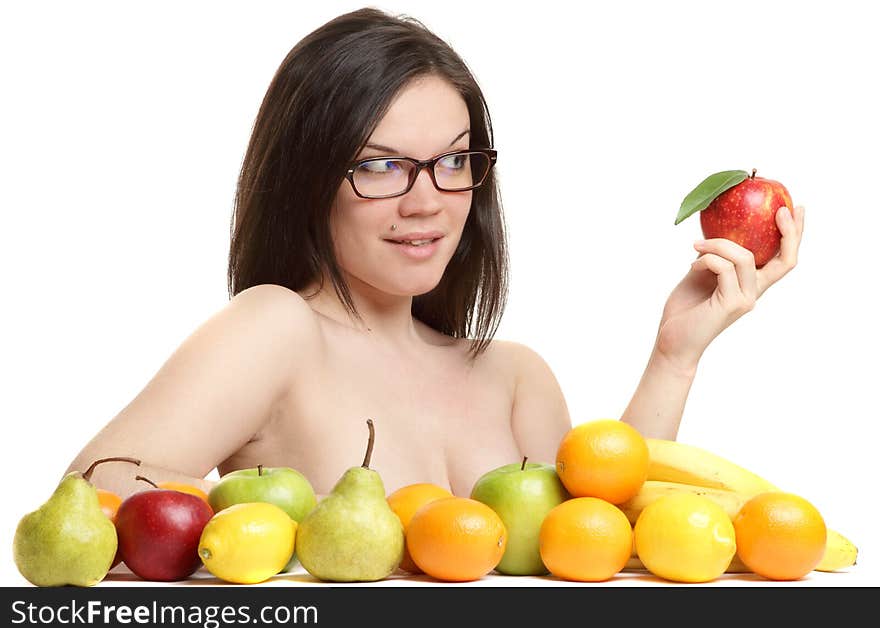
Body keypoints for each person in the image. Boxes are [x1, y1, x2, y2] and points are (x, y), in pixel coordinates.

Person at [65, 7, 804, 500]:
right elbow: (90, 497)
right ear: (307, 177)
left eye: (453, 162)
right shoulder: (276, 329)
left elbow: (605, 546)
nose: (427, 202)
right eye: (382, 165)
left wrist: (675, 355)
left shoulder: (516, 377)